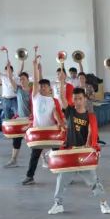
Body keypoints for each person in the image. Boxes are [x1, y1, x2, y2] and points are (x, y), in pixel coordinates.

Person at [48, 88, 110, 215]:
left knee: (94, 182)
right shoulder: (70, 112)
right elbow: (62, 98)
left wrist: (90, 147)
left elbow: (92, 135)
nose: (77, 101)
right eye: (75, 99)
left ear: (85, 99)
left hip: (83, 155)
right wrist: (61, 82)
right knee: (61, 180)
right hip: (70, 154)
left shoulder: (90, 117)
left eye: (80, 98)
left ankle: (103, 203)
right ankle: (58, 204)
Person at [21, 55, 65, 186]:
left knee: (57, 154)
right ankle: (30, 177)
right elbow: (35, 81)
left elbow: (55, 114)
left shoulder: (53, 101)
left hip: (51, 132)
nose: (42, 88)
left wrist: (60, 124)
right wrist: (35, 66)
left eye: (45, 86)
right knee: (34, 156)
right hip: (39, 132)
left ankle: (63, 175)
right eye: (41, 86)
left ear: (50, 88)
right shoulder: (35, 97)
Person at [0, 50, 26, 168]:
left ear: (12, 71)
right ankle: (9, 133)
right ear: (5, 71)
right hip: (5, 99)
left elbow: (21, 69)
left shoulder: (16, 77)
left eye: (10, 69)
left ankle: (19, 132)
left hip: (15, 99)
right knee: (7, 118)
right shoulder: (3, 77)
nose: (8, 71)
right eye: (7, 69)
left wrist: (22, 61)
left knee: (19, 118)